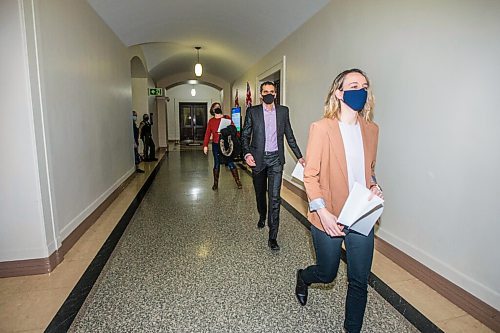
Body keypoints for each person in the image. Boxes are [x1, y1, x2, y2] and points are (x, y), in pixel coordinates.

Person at [295, 69, 384, 333]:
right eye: (354, 85)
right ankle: (303, 277)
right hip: (329, 214)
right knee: (327, 273)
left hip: (360, 215)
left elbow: (369, 170)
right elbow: (310, 176)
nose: (361, 90)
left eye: (365, 86)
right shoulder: (322, 128)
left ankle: (351, 328)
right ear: (339, 92)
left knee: (359, 280)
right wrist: (322, 212)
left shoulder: (371, 130)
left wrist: (375, 187)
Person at [241, 81, 305, 251]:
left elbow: (289, 135)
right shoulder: (253, 112)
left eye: (272, 91)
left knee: (275, 198)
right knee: (260, 193)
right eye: (265, 91)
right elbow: (245, 135)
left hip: (276, 159)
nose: (269, 94)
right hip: (258, 159)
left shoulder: (283, 111)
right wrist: (247, 154)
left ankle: (273, 236)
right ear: (261, 94)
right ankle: (262, 214)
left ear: (275, 94)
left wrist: (300, 157)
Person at [203, 102, 242, 190]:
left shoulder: (226, 118)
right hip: (216, 145)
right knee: (217, 163)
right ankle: (215, 183)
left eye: (218, 107)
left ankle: (238, 181)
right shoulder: (211, 121)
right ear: (212, 110)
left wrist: (225, 131)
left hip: (226, 144)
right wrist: (205, 145)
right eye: (215, 107)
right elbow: (207, 134)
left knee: (230, 161)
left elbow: (234, 129)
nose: (217, 108)